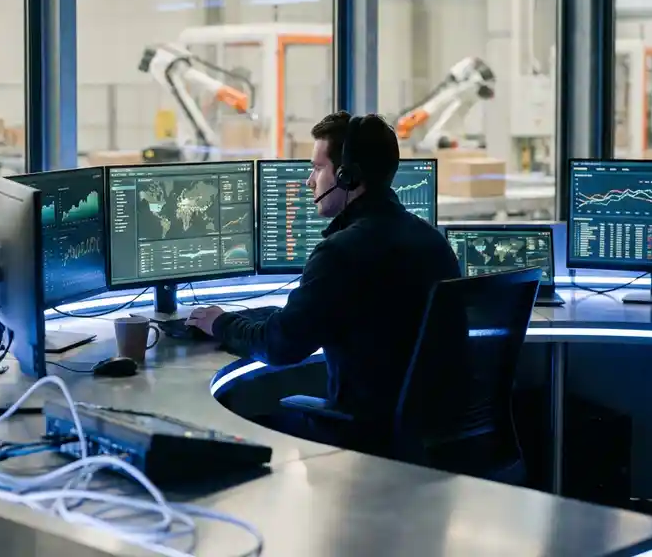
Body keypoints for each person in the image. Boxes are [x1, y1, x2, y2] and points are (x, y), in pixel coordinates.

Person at [186, 111, 461, 449]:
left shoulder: (340, 253)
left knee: (246, 428)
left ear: (347, 176)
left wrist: (221, 323)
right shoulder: (433, 242)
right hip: (436, 439)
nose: (309, 181)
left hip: (367, 442)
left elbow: (280, 347)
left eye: (317, 168)